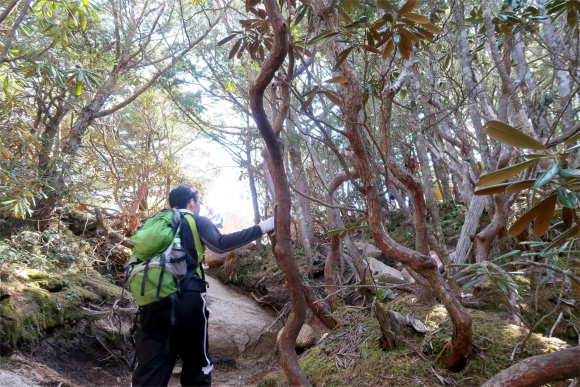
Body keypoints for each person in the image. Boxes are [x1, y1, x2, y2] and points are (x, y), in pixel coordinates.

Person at [131, 184, 274, 387]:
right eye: (199, 202)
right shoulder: (194, 220)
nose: (199, 207)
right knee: (197, 364)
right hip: (187, 298)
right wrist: (263, 227)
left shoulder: (153, 224)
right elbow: (220, 243)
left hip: (151, 299)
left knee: (149, 369)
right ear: (191, 202)